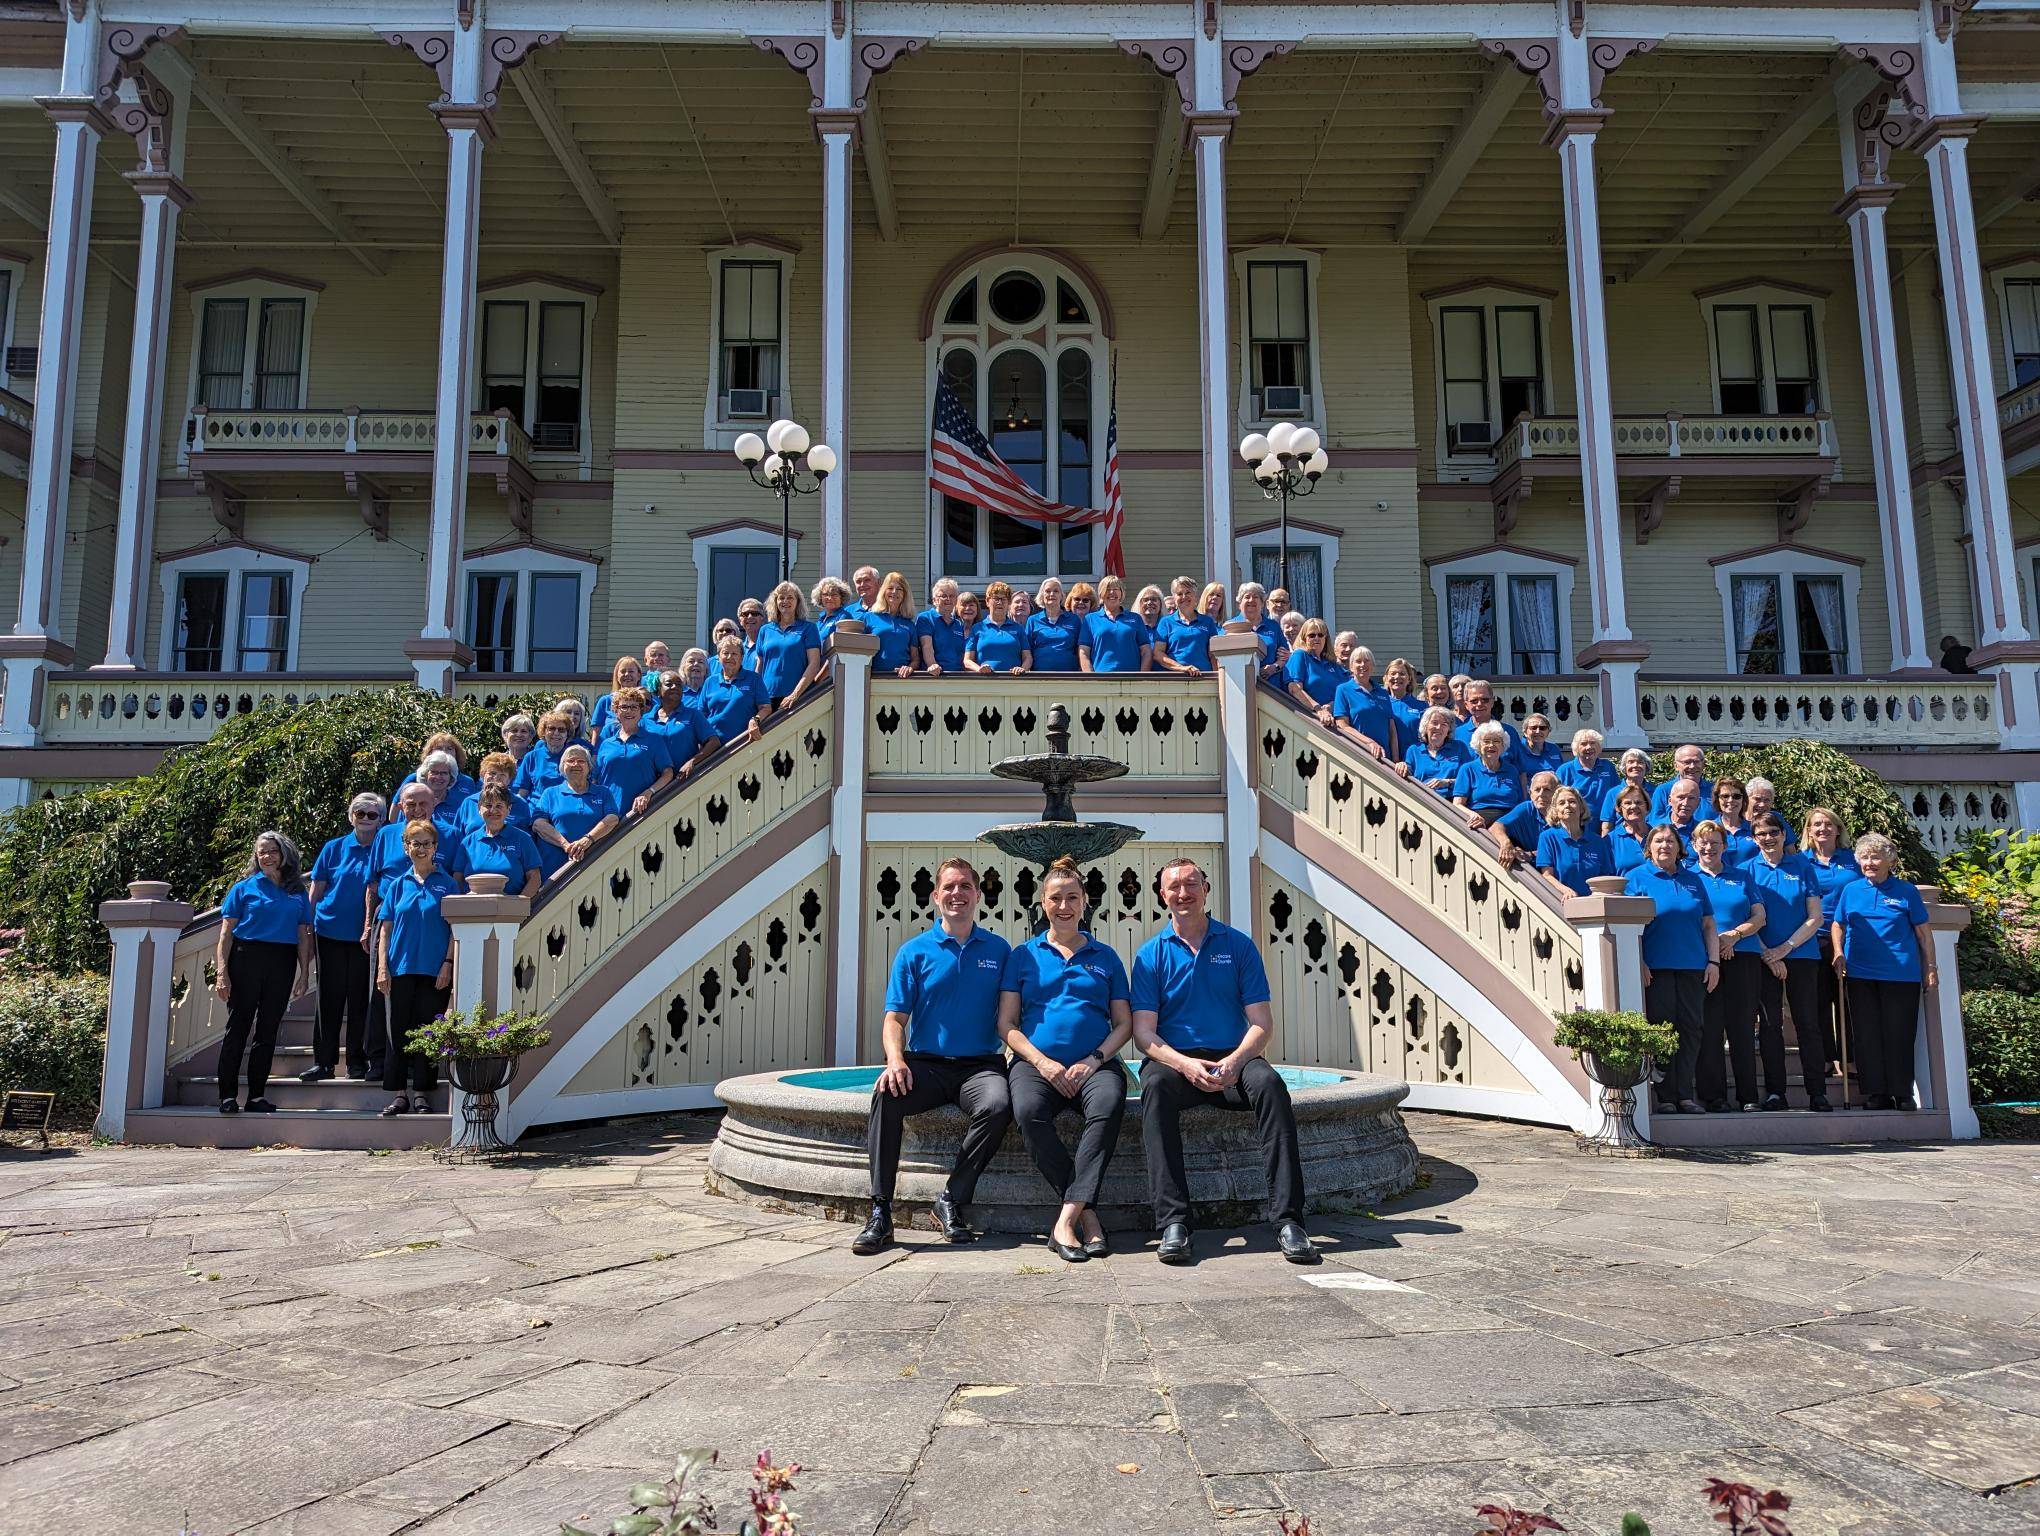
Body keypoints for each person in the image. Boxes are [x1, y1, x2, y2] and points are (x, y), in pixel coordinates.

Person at [1131, 856, 1317, 1266]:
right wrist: (1183, 1064)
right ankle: (1174, 1223)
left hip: (1233, 1058)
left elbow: (1262, 1024)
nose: (1183, 892)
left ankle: (1289, 1220)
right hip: (1177, 1063)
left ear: (1206, 889)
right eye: (1174, 886)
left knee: (1270, 1086)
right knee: (1156, 1088)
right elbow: (1144, 1033)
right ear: (1162, 896)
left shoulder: (1238, 946)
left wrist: (1234, 1062)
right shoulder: (1150, 956)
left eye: (1191, 883)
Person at [852, 858, 1014, 1255]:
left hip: (979, 1067)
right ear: (935, 896)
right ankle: (880, 1212)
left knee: (997, 1105)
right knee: (886, 1096)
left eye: (965, 887)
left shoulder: (999, 950)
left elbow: (1013, 1016)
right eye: (949, 887)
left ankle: (951, 1200)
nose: (956, 893)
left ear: (978, 895)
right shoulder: (914, 952)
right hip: (926, 1064)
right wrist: (895, 1060)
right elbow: (895, 1019)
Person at [997, 856, 1134, 1263]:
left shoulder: (1105, 957)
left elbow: (1124, 1024)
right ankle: (1088, 1217)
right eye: (1055, 898)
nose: (1064, 906)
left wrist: (1093, 1060)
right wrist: (1042, 1063)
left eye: (1072, 897)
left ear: (1085, 902)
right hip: (1036, 1065)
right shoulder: (1023, 955)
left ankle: (1065, 1220)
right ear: (1042, 903)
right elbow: (1006, 1024)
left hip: (1094, 1064)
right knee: (1027, 1111)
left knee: (1109, 1106)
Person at [1831, 832, 1935, 1111]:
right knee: (1866, 1034)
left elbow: (1924, 933)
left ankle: (1902, 1093)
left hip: (1900, 973)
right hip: (1860, 972)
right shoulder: (1851, 890)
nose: (1869, 862)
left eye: (1875, 857)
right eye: (1864, 857)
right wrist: (1838, 951)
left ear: (1890, 860)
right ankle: (1876, 1092)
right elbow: (1838, 924)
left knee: (1899, 1033)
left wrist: (1930, 967)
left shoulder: (1906, 891)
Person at [213, 831, 315, 1114]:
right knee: (238, 1028)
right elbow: (225, 936)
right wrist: (222, 973)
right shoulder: (244, 888)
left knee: (268, 1030)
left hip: (282, 961)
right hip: (247, 958)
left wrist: (304, 973)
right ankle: (227, 1096)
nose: (267, 857)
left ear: (284, 855)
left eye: (272, 851)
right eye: (261, 852)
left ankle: (256, 1096)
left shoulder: (297, 892)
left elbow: (303, 935)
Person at [1626, 823, 1718, 1115]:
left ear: (1680, 848)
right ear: (1649, 847)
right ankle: (1664, 1095)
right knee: (1662, 1029)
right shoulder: (1636, 878)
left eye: (1670, 841)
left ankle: (1684, 1095)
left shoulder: (1693, 880)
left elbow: (1708, 924)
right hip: (1657, 967)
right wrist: (1638, 961)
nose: (1664, 846)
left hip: (1693, 966)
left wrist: (1713, 962)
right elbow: (1628, 927)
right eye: (1658, 841)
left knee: (1691, 1029)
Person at [1744, 812, 1831, 1111]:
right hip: (1763, 957)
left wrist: (1786, 948)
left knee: (1809, 1024)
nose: (1768, 838)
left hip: (1802, 956)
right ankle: (1775, 1093)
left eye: (1773, 832)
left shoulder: (1803, 866)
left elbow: (1815, 916)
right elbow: (1746, 919)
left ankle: (1817, 1092)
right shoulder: (1747, 871)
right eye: (1761, 834)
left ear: (1784, 835)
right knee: (1770, 1027)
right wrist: (1770, 954)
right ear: (1754, 838)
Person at [375, 818, 460, 1117]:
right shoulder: (398, 885)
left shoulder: (448, 884)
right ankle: (399, 1094)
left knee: (427, 1031)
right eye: (415, 843)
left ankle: (422, 1093)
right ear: (406, 847)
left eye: (427, 843)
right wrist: (382, 968)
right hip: (400, 968)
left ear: (435, 847)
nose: (421, 849)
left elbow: (454, 930)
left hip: (434, 970)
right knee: (397, 1030)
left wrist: (448, 964)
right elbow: (385, 929)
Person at [306, 794, 384, 1083]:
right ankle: (323, 1063)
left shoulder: (382, 846)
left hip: (366, 936)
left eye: (372, 815)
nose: (365, 818)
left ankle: (356, 1061)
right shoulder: (333, 847)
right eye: (360, 813)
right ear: (351, 816)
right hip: (328, 931)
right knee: (329, 998)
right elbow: (316, 890)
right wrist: (307, 924)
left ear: (381, 819)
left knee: (360, 998)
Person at [1690, 821, 1767, 1113]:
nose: (1709, 848)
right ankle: (1714, 1096)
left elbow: (1759, 916)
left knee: (1742, 1028)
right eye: (1703, 842)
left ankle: (1748, 1095)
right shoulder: (1689, 877)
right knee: (1709, 1029)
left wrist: (1734, 935)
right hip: (1704, 961)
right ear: (1695, 845)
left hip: (1743, 957)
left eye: (1715, 843)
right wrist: (1714, 946)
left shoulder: (1742, 876)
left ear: (1725, 846)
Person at [1803, 807, 1861, 1080]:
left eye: (1828, 824)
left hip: (1850, 937)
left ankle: (1849, 1058)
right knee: (1818, 1001)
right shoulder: (1801, 862)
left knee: (1848, 1001)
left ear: (1838, 829)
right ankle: (1827, 1057)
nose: (1822, 829)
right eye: (1816, 825)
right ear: (1809, 831)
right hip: (1814, 938)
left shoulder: (1854, 861)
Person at [532, 744, 621, 879]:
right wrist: (567, 846)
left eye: (581, 761)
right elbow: (538, 824)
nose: (576, 764)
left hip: (595, 865)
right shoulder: (550, 793)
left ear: (589, 767)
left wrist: (588, 840)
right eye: (570, 760)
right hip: (555, 869)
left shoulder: (603, 792)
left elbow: (612, 818)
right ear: (562, 767)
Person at [595, 687, 675, 819]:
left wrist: (649, 792)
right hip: (608, 814)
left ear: (641, 711)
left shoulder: (653, 740)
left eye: (634, 707)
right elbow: (596, 779)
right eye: (624, 707)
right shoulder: (606, 744)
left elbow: (668, 773)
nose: (629, 711)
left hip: (639, 812)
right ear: (616, 711)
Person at [458, 785, 543, 898]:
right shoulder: (467, 842)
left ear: (509, 809)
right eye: (488, 805)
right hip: (473, 909)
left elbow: (535, 878)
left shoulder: (523, 839)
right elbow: (457, 878)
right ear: (479, 809)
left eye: (499, 806)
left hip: (511, 910)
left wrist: (519, 905)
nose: (493, 810)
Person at [753, 580, 824, 707]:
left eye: (790, 597)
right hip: (767, 699)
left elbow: (814, 664)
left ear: (798, 602)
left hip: (798, 698)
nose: (785, 601)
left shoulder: (808, 628)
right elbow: (760, 666)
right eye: (781, 598)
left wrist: (795, 694)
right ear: (775, 602)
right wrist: (756, 696)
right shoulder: (765, 630)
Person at [1535, 785, 1614, 896]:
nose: (1567, 805)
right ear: (1556, 810)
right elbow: (1547, 875)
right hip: (1561, 902)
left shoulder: (1597, 841)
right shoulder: (1547, 837)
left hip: (1594, 904)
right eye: (1561, 803)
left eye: (1572, 801)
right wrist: (1565, 890)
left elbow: (1605, 877)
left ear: (1581, 808)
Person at [1453, 721, 1525, 831]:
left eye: (1496, 741)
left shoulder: (1511, 770)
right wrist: (1472, 815)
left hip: (1510, 822)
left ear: (1503, 746)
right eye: (1486, 741)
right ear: (1478, 745)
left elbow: (1520, 803)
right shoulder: (1468, 769)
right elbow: (1457, 804)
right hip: (1481, 822)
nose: (1491, 745)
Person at [700, 634, 770, 745]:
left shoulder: (754, 679)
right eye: (725, 653)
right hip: (714, 746)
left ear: (742, 657)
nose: (729, 657)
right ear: (718, 657)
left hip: (743, 743)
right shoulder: (710, 682)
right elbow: (702, 715)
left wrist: (755, 720)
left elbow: (766, 708)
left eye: (734, 654)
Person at [645, 672, 712, 781]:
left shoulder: (693, 715)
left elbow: (713, 741)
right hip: (652, 785)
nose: (675, 687)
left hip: (683, 782)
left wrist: (693, 761)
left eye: (678, 684)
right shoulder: (645, 720)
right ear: (658, 690)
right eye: (669, 684)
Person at [1332, 650, 1396, 763]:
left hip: (1385, 759)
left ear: (1372, 666)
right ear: (1351, 667)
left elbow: (1391, 729)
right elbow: (1342, 725)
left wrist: (1396, 760)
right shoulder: (1343, 690)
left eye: (1367, 661)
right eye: (1358, 661)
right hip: (1360, 756)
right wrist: (1369, 742)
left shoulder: (1383, 692)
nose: (1363, 665)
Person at [1080, 574, 1152, 673]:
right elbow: (1083, 652)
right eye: (1108, 589)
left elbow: (1146, 651)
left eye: (1116, 589)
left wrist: (1142, 678)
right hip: (1101, 679)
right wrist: (1091, 679)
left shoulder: (1135, 618)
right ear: (1101, 593)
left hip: (1132, 679)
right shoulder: (1090, 619)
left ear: (1121, 593)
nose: (1112, 592)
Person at [1281, 619, 1345, 724]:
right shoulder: (1300, 655)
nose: (1316, 638)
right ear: (1304, 638)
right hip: (1314, 721)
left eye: (1320, 635)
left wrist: (1331, 706)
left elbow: (1346, 692)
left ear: (1326, 638)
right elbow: (1294, 689)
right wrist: (1319, 710)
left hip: (1340, 719)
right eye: (1311, 635)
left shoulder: (1332, 663)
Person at [393, 733, 478, 812]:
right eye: (439, 748)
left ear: (456, 753)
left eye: (449, 748)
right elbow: (394, 814)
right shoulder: (414, 778)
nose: (444, 752)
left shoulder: (467, 782)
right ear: (430, 752)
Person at [1154, 576, 1219, 675]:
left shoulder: (1207, 622)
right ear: (1174, 598)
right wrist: (1182, 668)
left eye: (1188, 592)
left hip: (1205, 678)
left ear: (1195, 596)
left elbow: (1213, 655)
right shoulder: (1166, 622)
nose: (1184, 596)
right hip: (1176, 679)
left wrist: (1217, 678)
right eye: (1179, 594)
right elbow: (1158, 654)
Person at [455, 752, 532, 836]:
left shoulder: (520, 804)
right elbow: (457, 837)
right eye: (492, 773)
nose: (496, 778)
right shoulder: (469, 803)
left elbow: (525, 839)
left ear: (509, 780)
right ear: (483, 775)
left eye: (502, 774)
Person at [1493, 771, 1559, 867]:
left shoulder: (1564, 813)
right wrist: (1506, 843)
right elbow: (1496, 826)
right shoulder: (1526, 808)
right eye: (1537, 790)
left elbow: (1563, 848)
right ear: (1530, 794)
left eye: (1547, 789)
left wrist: (1531, 854)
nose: (1541, 794)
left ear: (1557, 793)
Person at [1401, 706, 1471, 794]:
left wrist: (1447, 782)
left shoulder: (1459, 747)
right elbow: (1406, 775)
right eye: (1434, 723)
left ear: (1449, 729)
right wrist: (1401, 765)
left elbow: (1470, 778)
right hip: (1421, 800)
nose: (1438, 727)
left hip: (1451, 801)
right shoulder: (1414, 750)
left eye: (1444, 724)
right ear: (1425, 726)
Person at [964, 581, 1029, 673]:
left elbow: (1028, 658)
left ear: (1009, 603)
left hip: (1013, 681)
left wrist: (1022, 669)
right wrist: (979, 669)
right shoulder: (977, 628)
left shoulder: (1018, 628)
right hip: (985, 682)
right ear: (987, 601)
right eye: (996, 598)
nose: (1000, 602)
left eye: (1004, 599)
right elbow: (967, 660)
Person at [1451, 680, 1523, 763]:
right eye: (1474, 701)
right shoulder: (1457, 734)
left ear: (1492, 702)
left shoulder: (1508, 732)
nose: (1479, 704)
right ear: (1466, 705)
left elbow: (1520, 769)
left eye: (1485, 700)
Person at [866, 571, 922, 678]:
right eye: (890, 588)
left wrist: (910, 668)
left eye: (899, 589)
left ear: (905, 595)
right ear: (884, 592)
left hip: (900, 679)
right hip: (874, 677)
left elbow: (915, 659)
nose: (894, 592)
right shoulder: (869, 618)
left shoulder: (910, 625)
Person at [513, 709, 576, 799]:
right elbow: (523, 792)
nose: (556, 733)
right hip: (537, 809)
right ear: (544, 731)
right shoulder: (531, 757)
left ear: (567, 733)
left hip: (564, 808)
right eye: (551, 728)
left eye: (561, 730)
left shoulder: (575, 757)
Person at [1024, 578, 1082, 672]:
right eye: (1047, 591)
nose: (1052, 594)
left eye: (1056, 591)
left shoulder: (1074, 620)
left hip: (1070, 677)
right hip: (1040, 676)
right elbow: (1027, 651)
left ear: (1061, 596)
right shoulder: (1032, 620)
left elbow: (1080, 649)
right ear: (1042, 596)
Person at [1556, 728, 1618, 812]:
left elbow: (1617, 792)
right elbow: (1557, 799)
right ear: (1576, 748)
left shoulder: (1608, 766)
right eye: (1583, 744)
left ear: (1599, 747)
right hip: (1577, 821)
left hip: (1605, 820)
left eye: (1593, 743)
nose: (1589, 747)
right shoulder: (1565, 770)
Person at [1648, 744, 1714, 822]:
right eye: (1687, 762)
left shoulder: (1714, 790)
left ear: (1703, 764)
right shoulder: (1664, 790)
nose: (1692, 766)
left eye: (1696, 761)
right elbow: (1654, 822)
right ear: (1676, 765)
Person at [917, 577, 968, 675]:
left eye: (952, 596)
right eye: (944, 596)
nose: (948, 599)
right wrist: (932, 665)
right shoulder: (926, 618)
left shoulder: (958, 624)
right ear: (935, 600)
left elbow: (961, 653)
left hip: (957, 676)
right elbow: (926, 646)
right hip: (936, 675)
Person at [1236, 582, 1287, 675]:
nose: (1251, 600)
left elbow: (1284, 657)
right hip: (1240, 685)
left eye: (1256, 597)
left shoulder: (1273, 626)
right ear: (1240, 603)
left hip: (1270, 687)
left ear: (1262, 603)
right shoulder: (1230, 626)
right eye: (1247, 597)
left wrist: (1274, 667)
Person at [590, 656, 646, 740]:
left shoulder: (647, 701)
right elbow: (596, 734)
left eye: (631, 671)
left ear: (638, 675)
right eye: (623, 671)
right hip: (610, 750)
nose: (627, 674)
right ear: (617, 676)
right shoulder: (605, 701)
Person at [1709, 777, 1760, 867]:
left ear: (1743, 800)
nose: (1730, 800)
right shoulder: (1709, 830)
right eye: (1725, 796)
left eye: (1736, 796)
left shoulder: (1755, 829)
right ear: (1717, 800)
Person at [1600, 748, 1654, 831]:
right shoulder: (1613, 793)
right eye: (1631, 762)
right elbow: (1607, 826)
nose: (1635, 765)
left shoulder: (1655, 791)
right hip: (1621, 840)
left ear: (1646, 767)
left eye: (1640, 762)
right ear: (1624, 768)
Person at [1607, 785, 1653, 875]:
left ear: (1647, 807)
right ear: (1620, 809)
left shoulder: (1658, 836)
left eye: (1638, 802)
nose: (1633, 806)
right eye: (1628, 803)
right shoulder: (1609, 840)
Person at [1382, 658, 1426, 746]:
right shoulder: (1380, 704)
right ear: (1386, 678)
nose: (1397, 677)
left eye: (1402, 674)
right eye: (1393, 674)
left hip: (1413, 758)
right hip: (1385, 758)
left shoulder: (1422, 707)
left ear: (1409, 678)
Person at [1744, 777, 1796, 846]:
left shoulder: (1776, 818)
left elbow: (1790, 851)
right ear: (1746, 799)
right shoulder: (1736, 820)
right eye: (1757, 799)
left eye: (1767, 800)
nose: (1762, 805)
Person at [1517, 714, 1565, 778]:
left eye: (1542, 728)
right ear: (1525, 732)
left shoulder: (1554, 749)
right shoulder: (1517, 750)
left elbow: (1561, 774)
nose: (1538, 731)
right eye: (1533, 728)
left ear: (1548, 732)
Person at [812, 575, 857, 640]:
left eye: (834, 595)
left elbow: (843, 643)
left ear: (841, 597)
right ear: (820, 597)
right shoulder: (820, 619)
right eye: (825, 594)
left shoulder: (844, 617)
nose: (829, 598)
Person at [735, 597, 767, 665]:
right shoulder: (737, 649)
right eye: (745, 614)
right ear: (740, 620)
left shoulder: (768, 647)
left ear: (762, 618)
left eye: (754, 614)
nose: (750, 617)